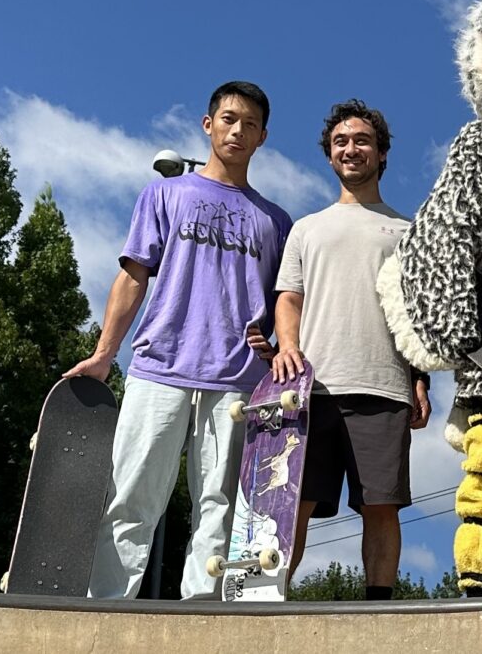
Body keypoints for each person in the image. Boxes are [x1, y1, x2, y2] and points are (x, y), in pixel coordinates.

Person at [65, 81, 293, 599]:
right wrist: (105, 354)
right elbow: (132, 276)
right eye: (229, 119)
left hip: (238, 381)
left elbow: (289, 300)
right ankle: (106, 612)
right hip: (158, 367)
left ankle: (203, 617)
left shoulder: (277, 221)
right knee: (130, 500)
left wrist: (280, 352)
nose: (238, 130)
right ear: (208, 124)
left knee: (221, 507)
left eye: (250, 124)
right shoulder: (165, 194)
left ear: (262, 138)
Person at [260, 99, 431, 600]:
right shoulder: (306, 228)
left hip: (384, 387)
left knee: (382, 506)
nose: (351, 148)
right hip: (307, 392)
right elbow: (288, 298)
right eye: (341, 142)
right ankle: (264, 602)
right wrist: (286, 346)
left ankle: (377, 610)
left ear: (381, 154)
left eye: (361, 141)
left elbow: (419, 313)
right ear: (329, 155)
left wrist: (421, 376)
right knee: (292, 503)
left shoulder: (408, 230)